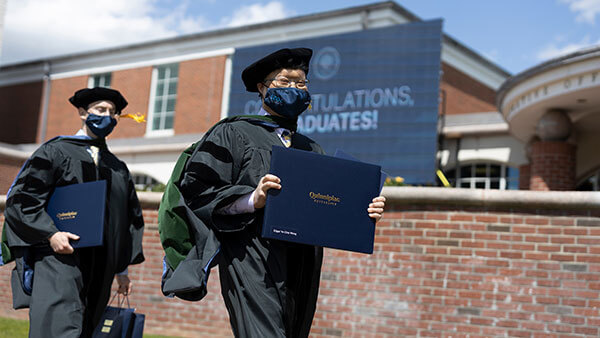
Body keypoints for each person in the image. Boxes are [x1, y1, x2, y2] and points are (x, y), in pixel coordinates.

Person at [167, 48, 385, 337]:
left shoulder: (311, 149)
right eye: (284, 82)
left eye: (301, 83)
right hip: (252, 254)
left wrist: (362, 211)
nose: (294, 89)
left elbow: (326, 206)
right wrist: (251, 200)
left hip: (303, 258)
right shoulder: (233, 133)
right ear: (262, 88)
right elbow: (198, 191)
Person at [2, 87, 145, 337]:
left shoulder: (118, 168)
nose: (107, 116)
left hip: (102, 264)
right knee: (58, 326)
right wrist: (50, 234)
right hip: (58, 258)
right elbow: (23, 200)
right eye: (100, 110)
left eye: (112, 112)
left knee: (87, 329)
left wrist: (122, 270)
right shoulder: (56, 152)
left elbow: (128, 220)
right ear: (82, 112)